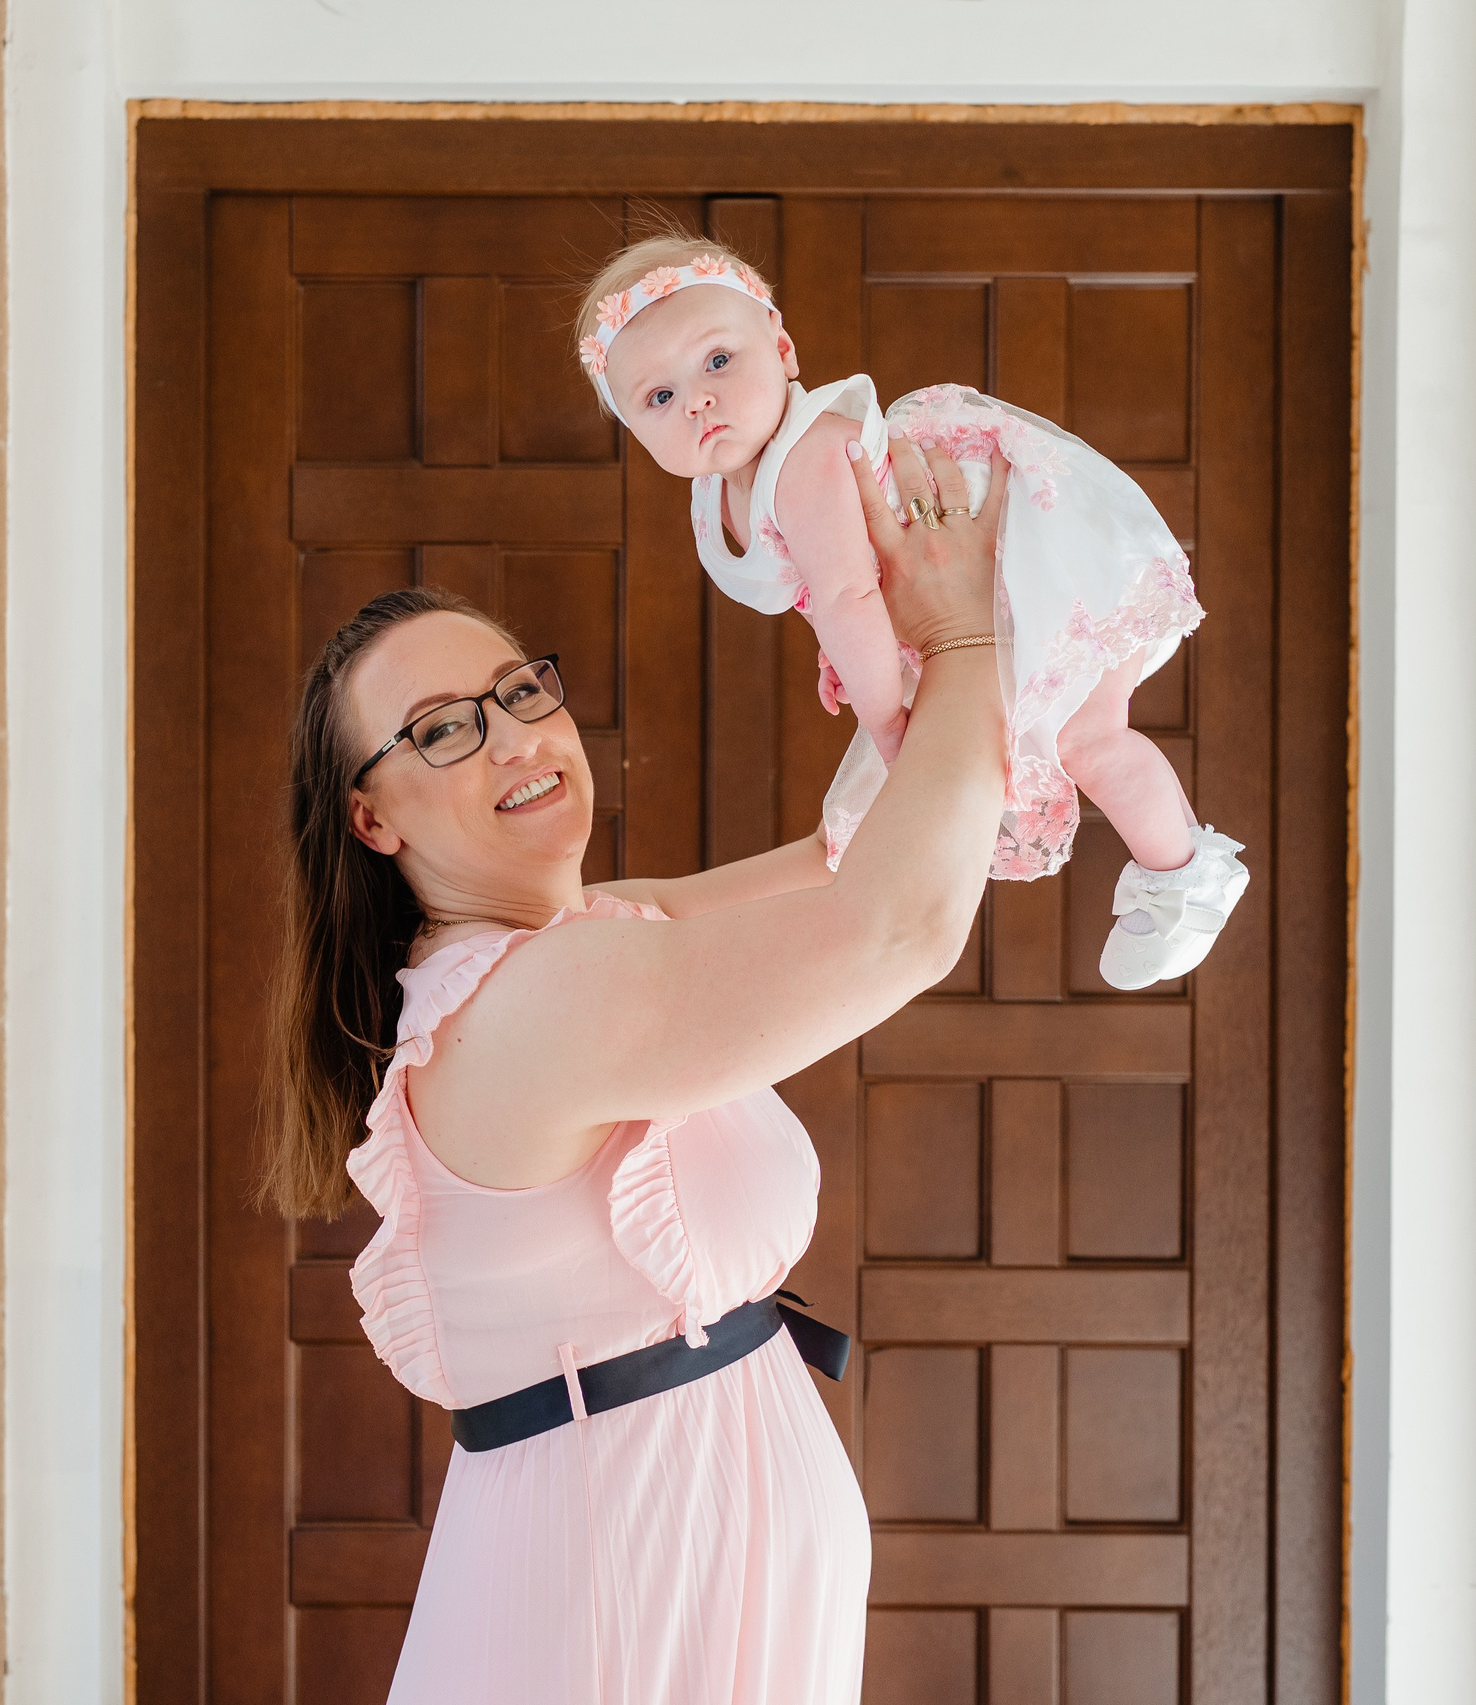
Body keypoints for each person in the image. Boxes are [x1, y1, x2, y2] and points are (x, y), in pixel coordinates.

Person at [262, 434, 1013, 1704]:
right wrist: (966, 649)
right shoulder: (525, 1008)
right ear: (372, 818)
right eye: (444, 730)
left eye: (518, 693)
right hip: (621, 1600)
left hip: (680, 1572)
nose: (511, 739)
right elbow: (893, 924)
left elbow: (849, 862)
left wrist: (913, 642)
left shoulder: (582, 936)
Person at [576, 231, 1247, 988]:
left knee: (1088, 738)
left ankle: (1186, 879)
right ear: (634, 429)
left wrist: (888, 721)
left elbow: (850, 593)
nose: (696, 398)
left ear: (784, 349)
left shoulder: (806, 459)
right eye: (659, 397)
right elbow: (840, 587)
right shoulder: (723, 487)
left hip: (1042, 566)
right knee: (939, 795)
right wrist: (848, 656)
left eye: (719, 360)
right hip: (973, 594)